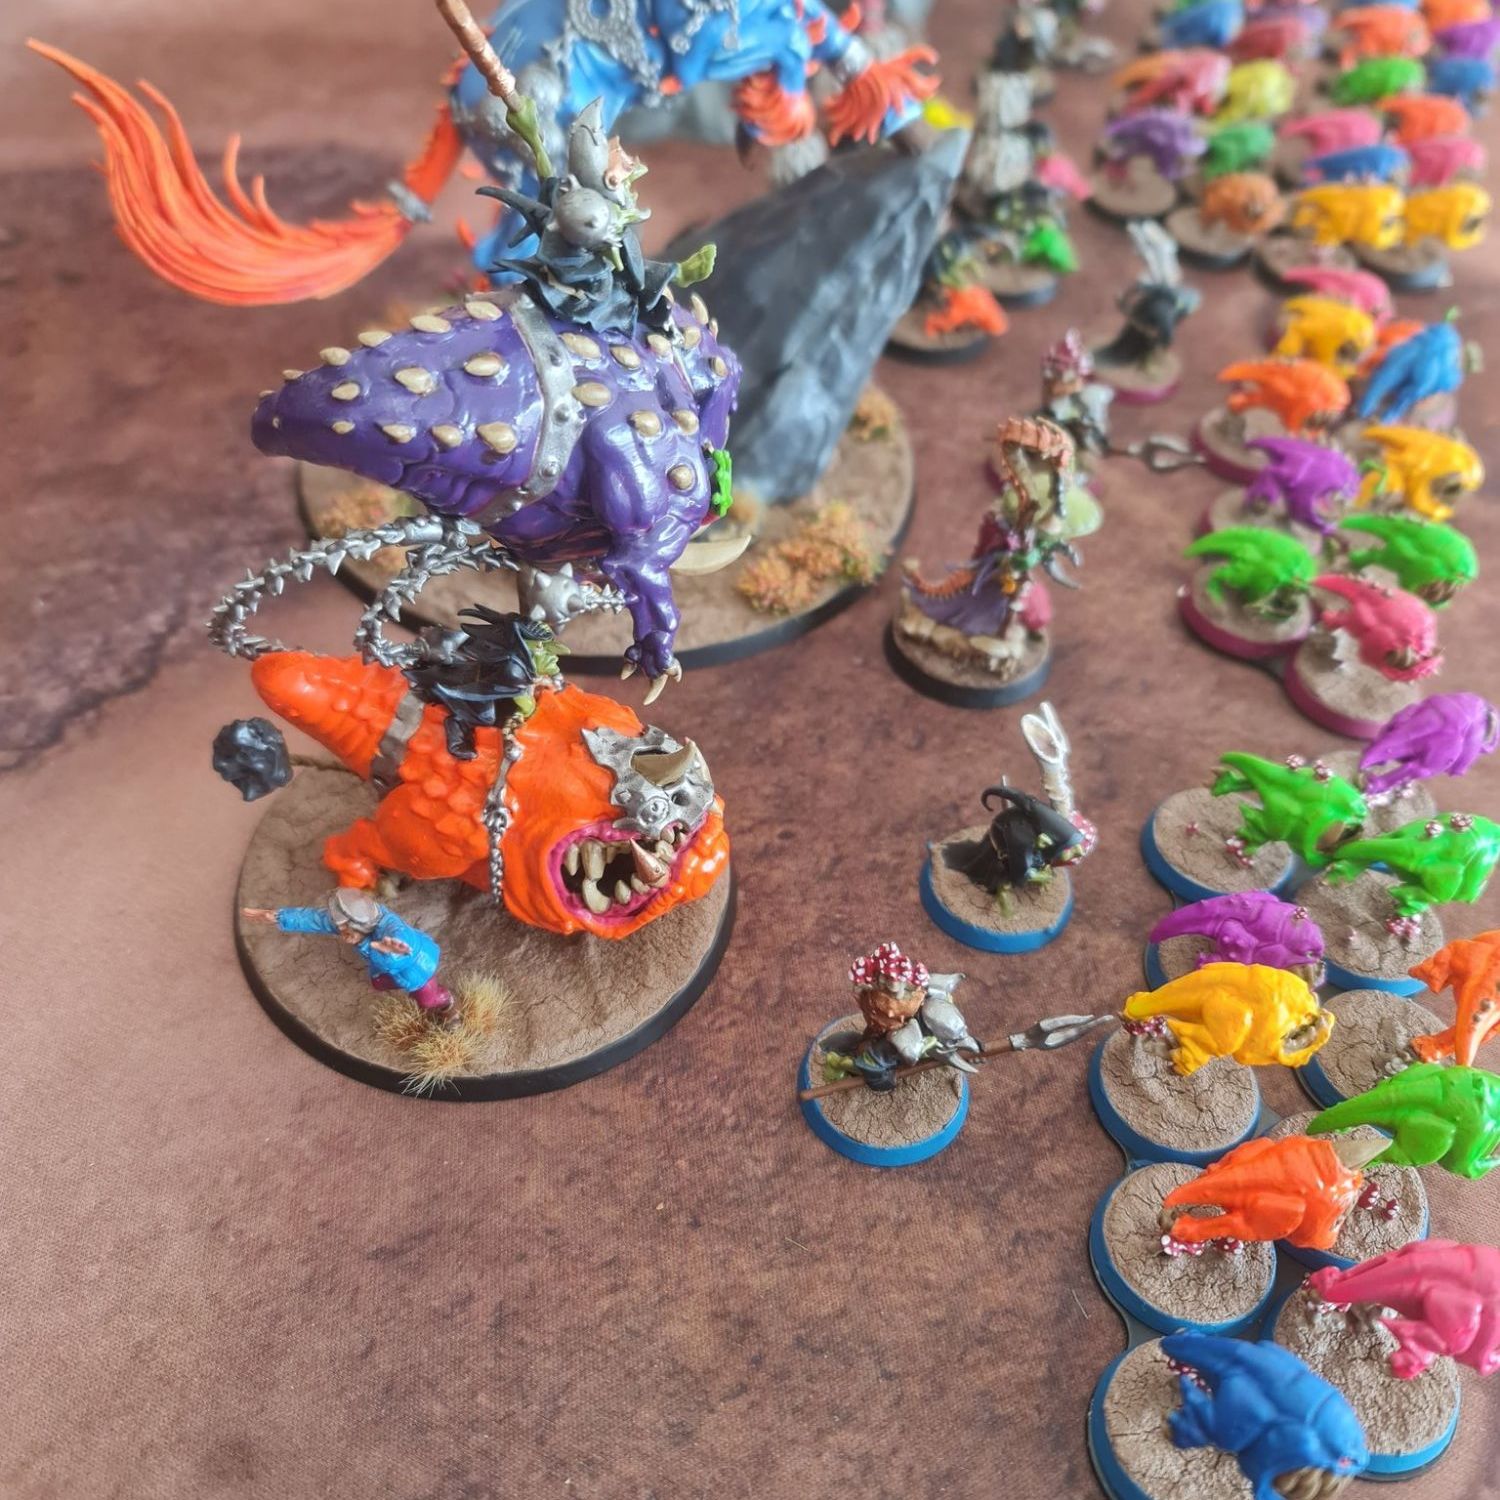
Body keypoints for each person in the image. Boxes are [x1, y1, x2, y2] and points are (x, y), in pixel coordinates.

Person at [242, 888, 456, 1024]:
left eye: (345, 929)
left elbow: (400, 948)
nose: (341, 932)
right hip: (389, 969)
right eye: (341, 928)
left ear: (358, 924)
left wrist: (382, 947)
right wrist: (278, 916)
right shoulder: (349, 924)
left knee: (427, 1000)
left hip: (418, 968)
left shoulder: (390, 927)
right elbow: (316, 919)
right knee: (378, 983)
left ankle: (447, 1003)